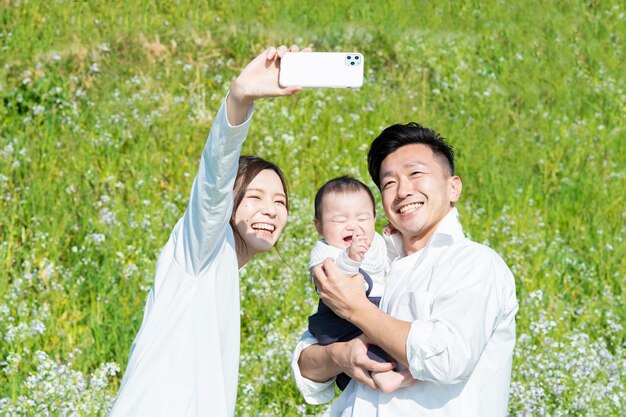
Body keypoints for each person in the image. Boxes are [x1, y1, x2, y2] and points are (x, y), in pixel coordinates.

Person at [111, 44, 308, 417]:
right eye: (255, 197)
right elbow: (214, 179)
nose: (271, 210)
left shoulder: (221, 270)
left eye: (280, 202)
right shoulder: (203, 249)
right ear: (228, 206)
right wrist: (239, 99)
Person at [291, 123, 519, 416]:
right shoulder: (378, 265)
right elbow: (307, 369)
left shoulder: (475, 263)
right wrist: (340, 355)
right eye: (388, 184)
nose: (402, 191)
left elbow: (447, 359)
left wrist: (358, 309)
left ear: (453, 187)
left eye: (415, 174)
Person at [307, 176, 414, 393]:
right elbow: (335, 283)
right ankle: (384, 377)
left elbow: (388, 265)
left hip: (374, 305)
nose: (352, 226)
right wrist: (350, 258)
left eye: (362, 218)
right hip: (340, 318)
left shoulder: (373, 242)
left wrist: (392, 241)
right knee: (367, 345)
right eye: (339, 220)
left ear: (374, 219)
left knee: (387, 336)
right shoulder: (325, 251)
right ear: (318, 225)